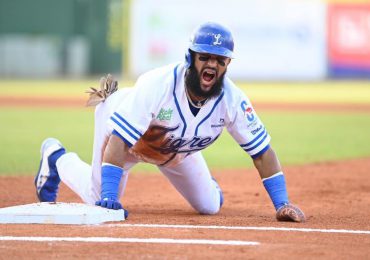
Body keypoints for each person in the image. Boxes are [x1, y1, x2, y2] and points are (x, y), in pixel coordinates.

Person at [35, 22, 305, 222]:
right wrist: (109, 197)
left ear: (227, 65)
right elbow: (118, 141)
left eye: (220, 59)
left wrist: (282, 203)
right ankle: (57, 158)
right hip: (126, 138)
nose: (212, 64)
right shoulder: (158, 84)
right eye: (205, 57)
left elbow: (262, 152)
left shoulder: (232, 99)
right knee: (98, 200)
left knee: (210, 206)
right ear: (190, 57)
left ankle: (208, 187)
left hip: (177, 150)